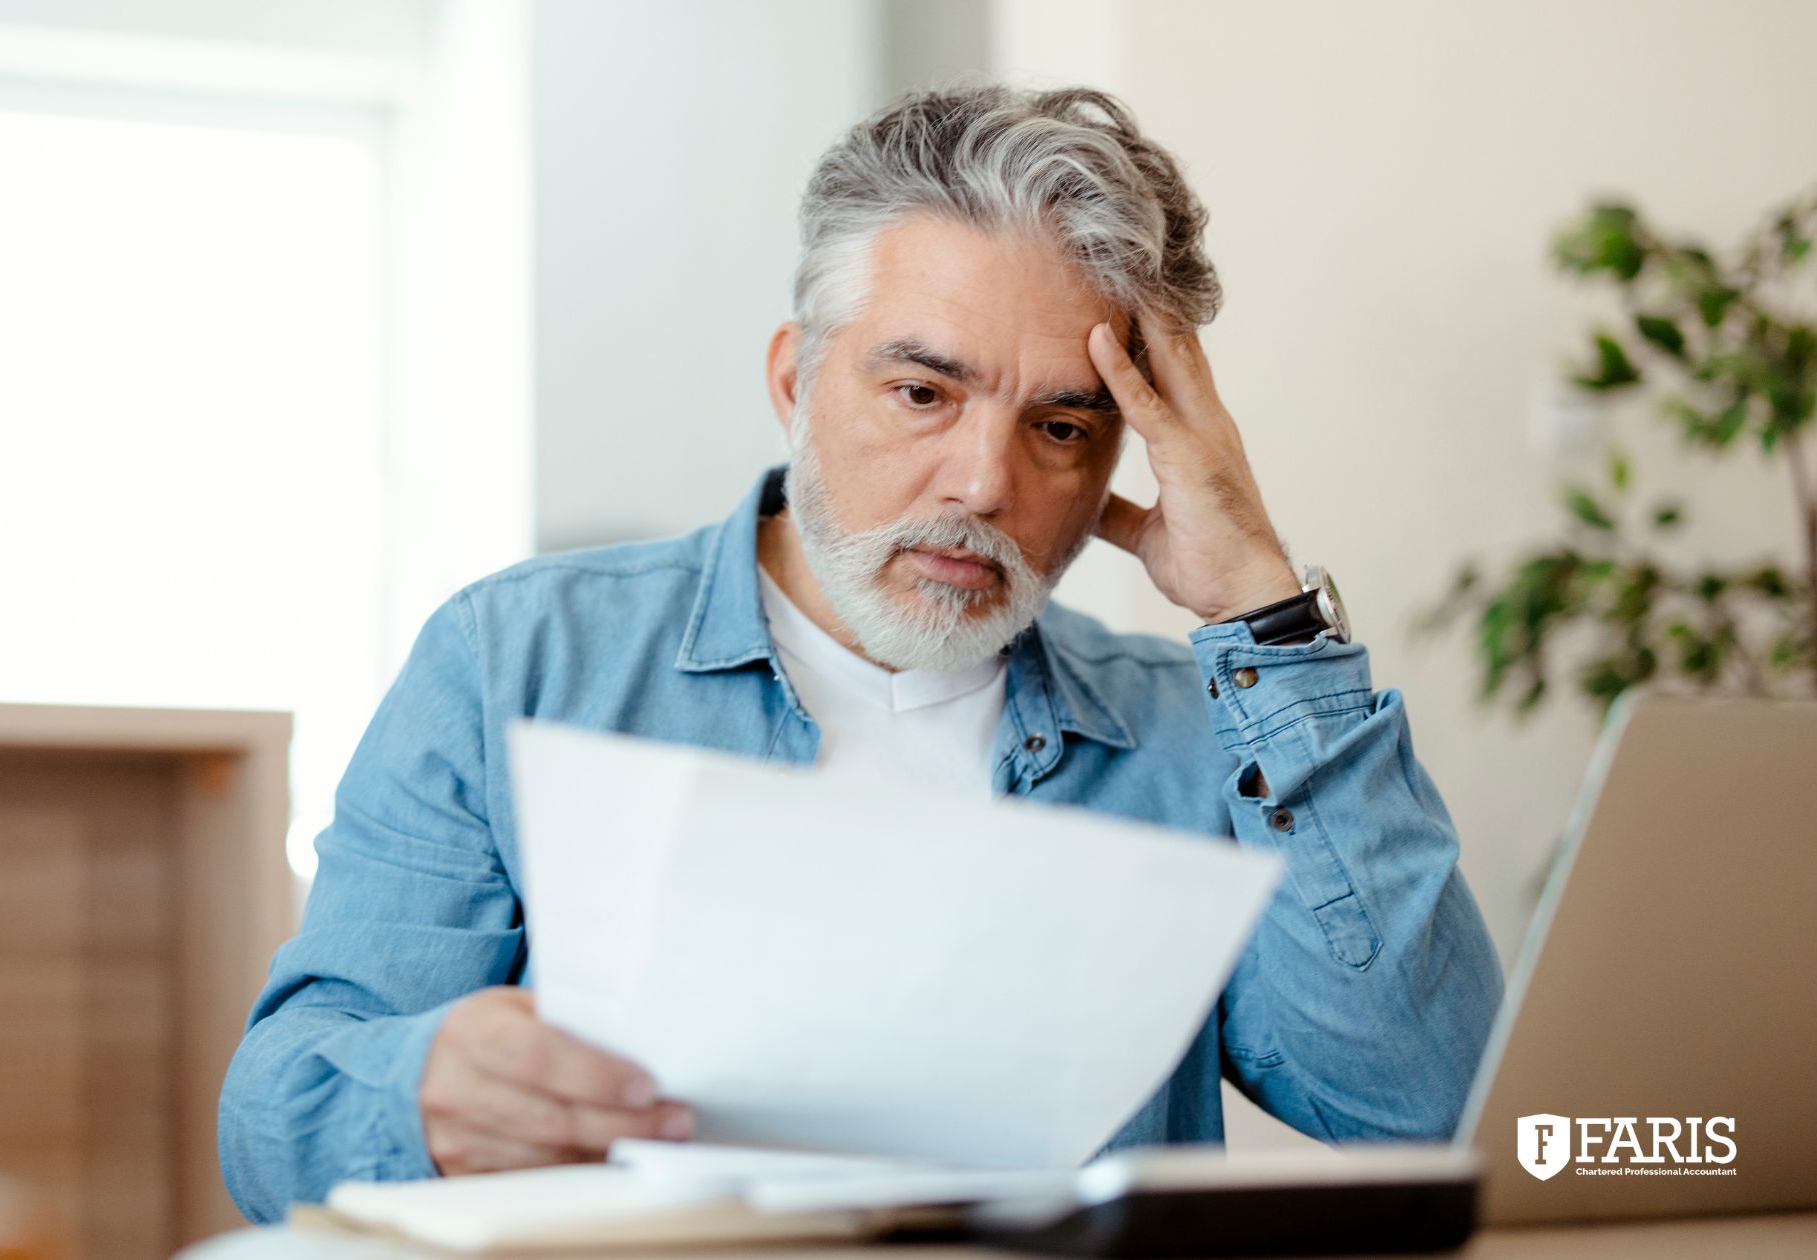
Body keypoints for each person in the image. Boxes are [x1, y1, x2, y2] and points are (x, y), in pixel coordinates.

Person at [217, 83, 1504, 1224]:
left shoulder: (1186, 735)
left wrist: (1263, 622)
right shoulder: (518, 656)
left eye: (1061, 426)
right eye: (920, 393)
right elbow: (271, 1124)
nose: (984, 481)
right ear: (794, 381)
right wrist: (423, 1090)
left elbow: (1426, 1111)